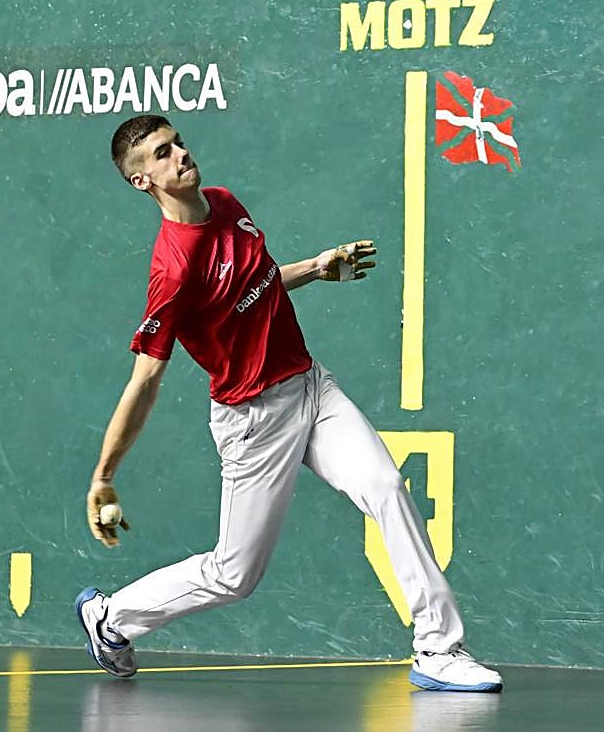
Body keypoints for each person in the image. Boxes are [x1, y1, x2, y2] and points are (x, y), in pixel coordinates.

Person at [75, 115, 502, 693]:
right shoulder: (173, 269)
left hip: (310, 386)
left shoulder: (226, 203)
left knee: (386, 487)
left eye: (177, 142)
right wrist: (104, 476)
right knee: (234, 575)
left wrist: (317, 268)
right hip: (252, 420)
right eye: (161, 153)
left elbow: (258, 285)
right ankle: (111, 617)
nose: (180, 154)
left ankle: (438, 648)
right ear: (141, 181)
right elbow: (146, 378)